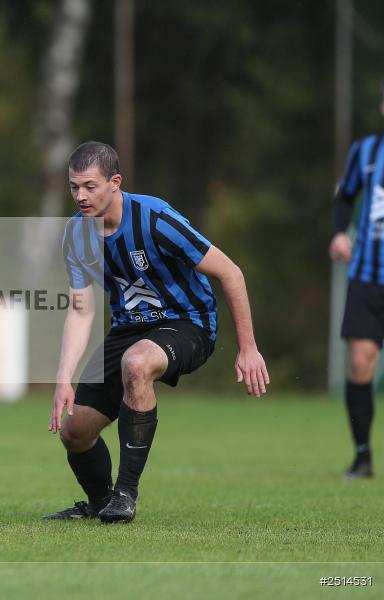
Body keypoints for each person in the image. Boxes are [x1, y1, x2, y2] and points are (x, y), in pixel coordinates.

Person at [44, 141, 268, 523]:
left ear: (115, 182)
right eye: (73, 187)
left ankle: (125, 495)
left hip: (189, 323)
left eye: (90, 186)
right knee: (75, 431)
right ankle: (100, 504)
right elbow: (81, 311)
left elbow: (231, 273)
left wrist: (248, 348)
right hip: (129, 328)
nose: (80, 196)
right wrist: (64, 376)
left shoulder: (155, 218)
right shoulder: (75, 235)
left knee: (137, 363)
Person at [329, 75, 384, 480]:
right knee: (360, 362)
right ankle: (363, 454)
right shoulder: (366, 151)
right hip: (368, 275)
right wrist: (338, 232)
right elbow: (345, 196)